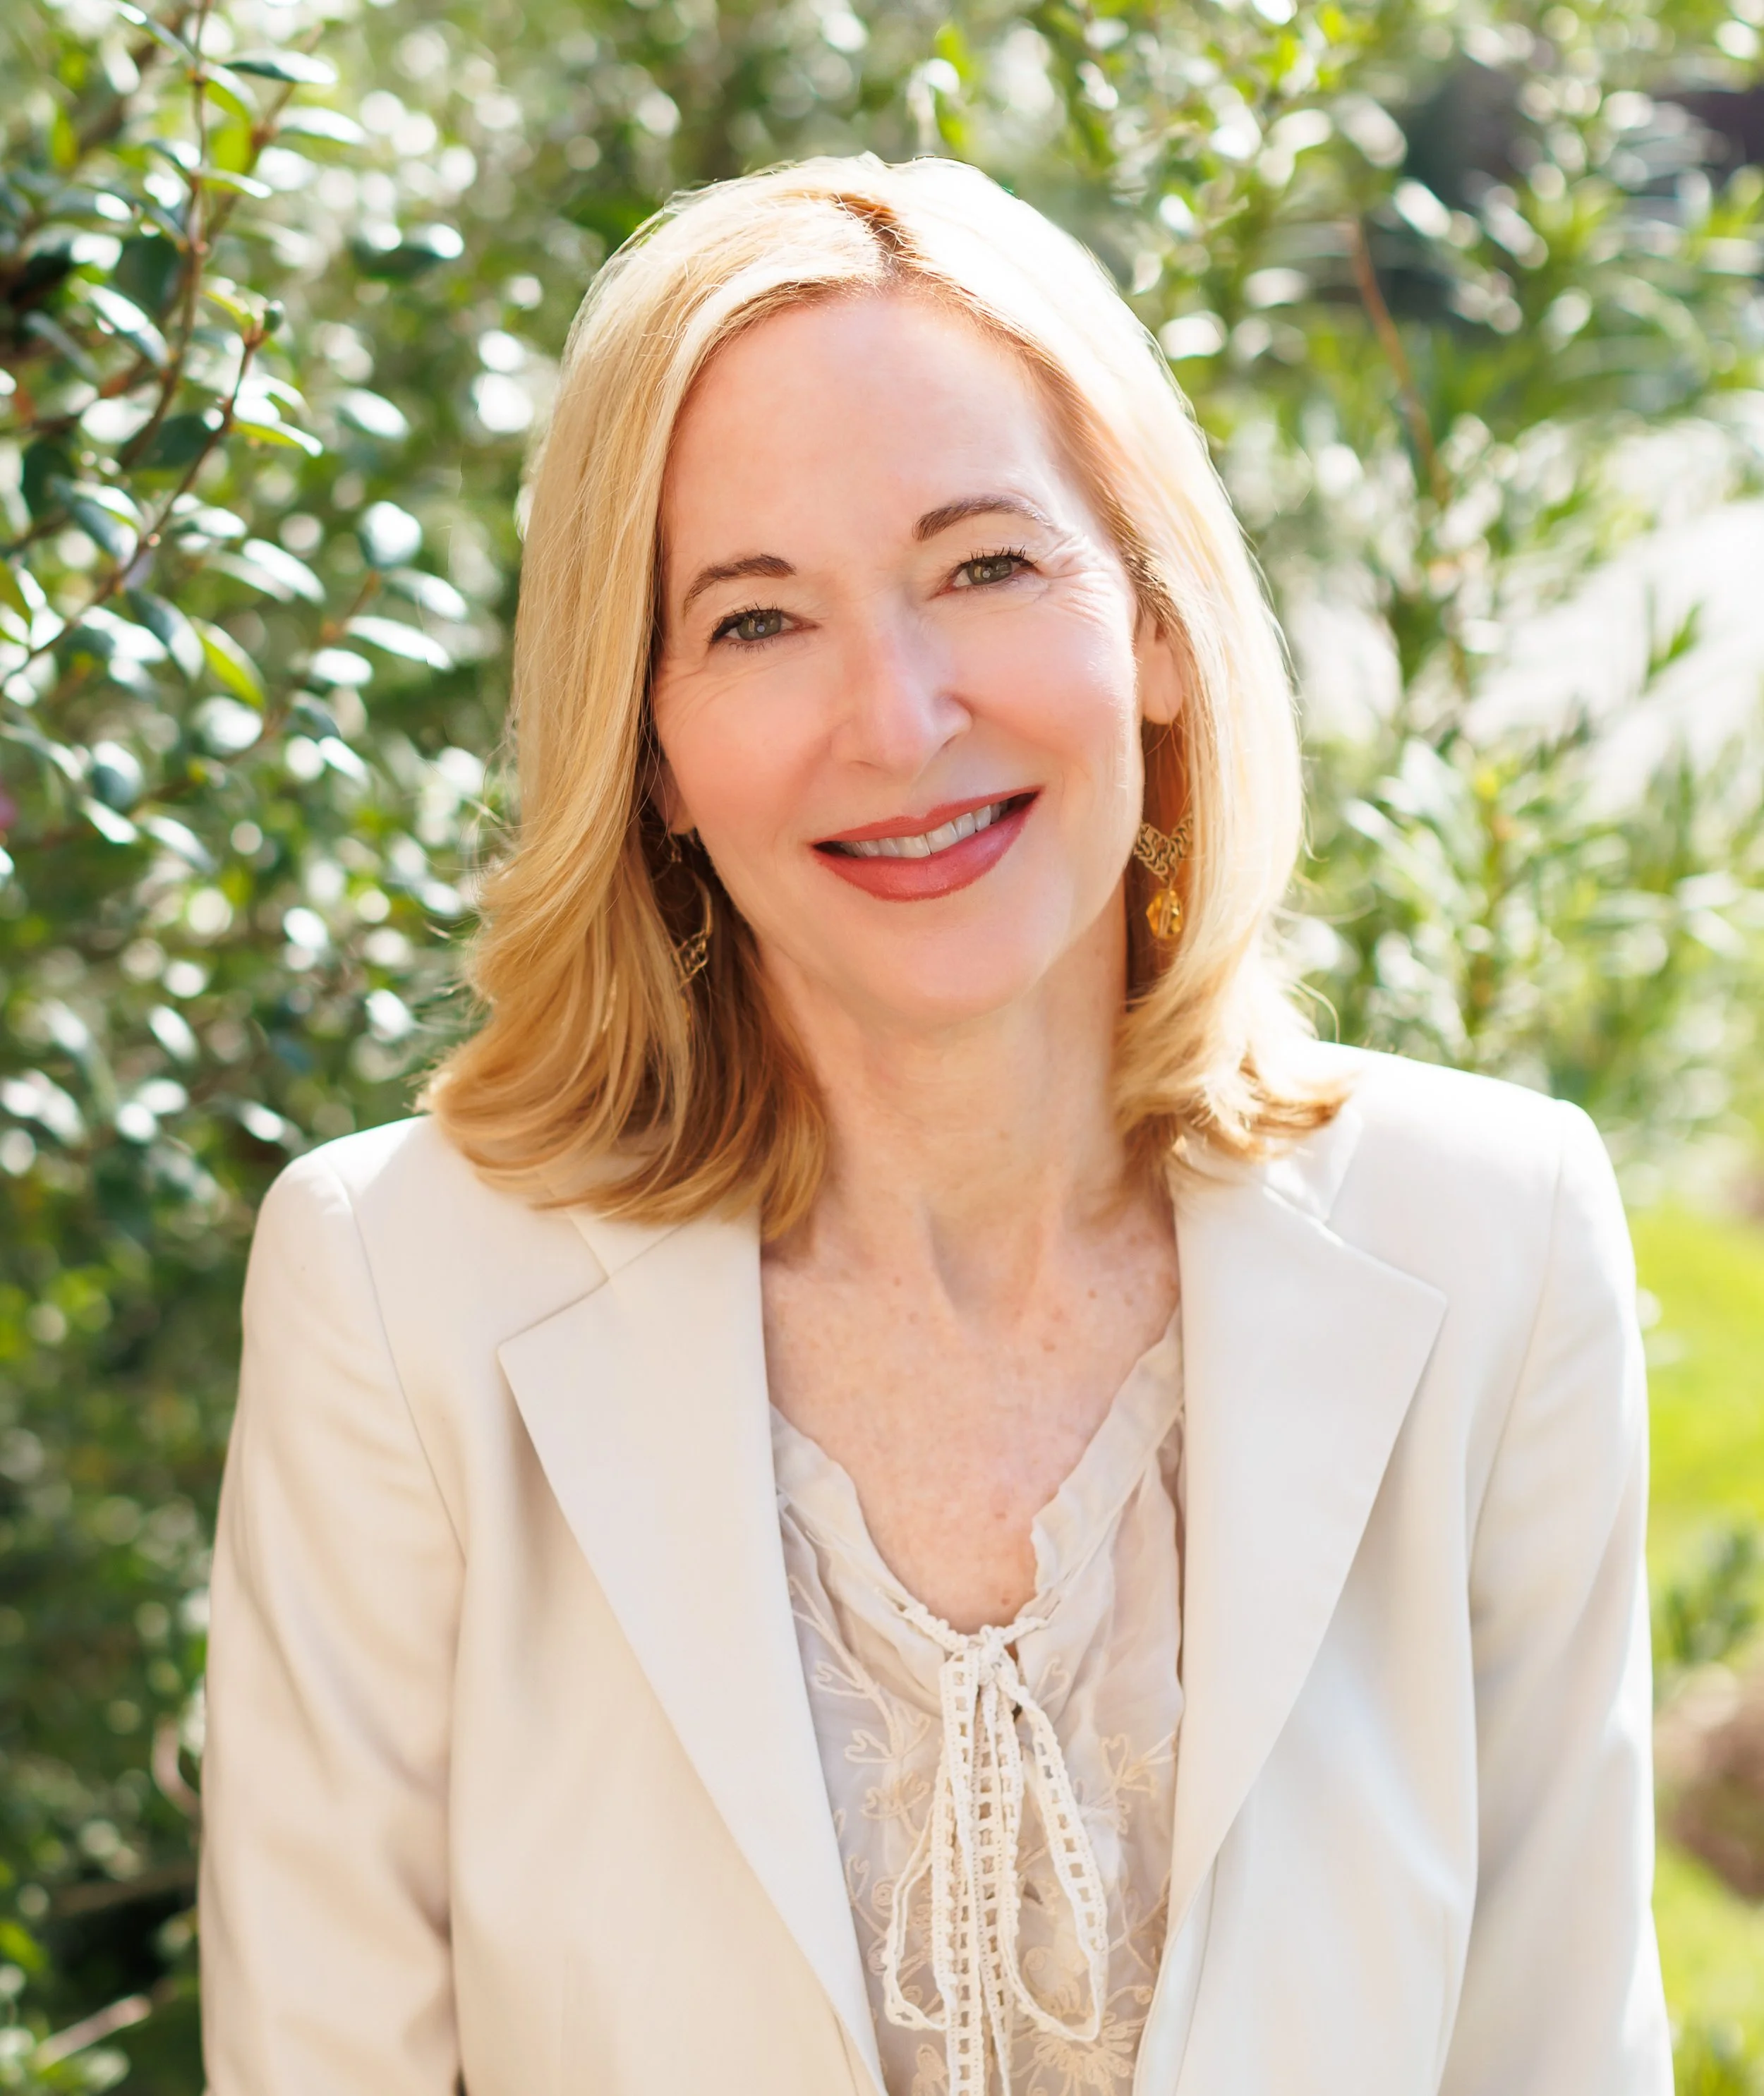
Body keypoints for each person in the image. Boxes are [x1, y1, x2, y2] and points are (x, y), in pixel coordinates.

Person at [198, 156, 1670, 2096]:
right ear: (644, 747)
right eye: (754, 622)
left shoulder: (1494, 1237)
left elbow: (1556, 2048)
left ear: (1155, 626)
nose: (895, 723)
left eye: (983, 567)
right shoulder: (398, 1295)